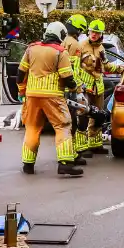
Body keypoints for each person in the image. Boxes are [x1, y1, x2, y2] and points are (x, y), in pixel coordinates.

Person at [18, 21, 83, 177]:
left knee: (32, 128)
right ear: (60, 35)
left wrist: (22, 92)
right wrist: (76, 89)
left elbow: (21, 74)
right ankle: (65, 164)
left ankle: (28, 164)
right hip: (53, 96)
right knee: (63, 125)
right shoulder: (60, 52)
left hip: (32, 96)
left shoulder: (31, 49)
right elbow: (67, 77)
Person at [75, 19, 123, 156]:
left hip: (98, 86)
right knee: (83, 115)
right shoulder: (81, 46)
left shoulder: (101, 48)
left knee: (99, 116)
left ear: (101, 34)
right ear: (88, 31)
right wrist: (79, 86)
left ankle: (95, 144)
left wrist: (120, 69)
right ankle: (81, 147)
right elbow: (74, 68)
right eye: (92, 31)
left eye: (97, 32)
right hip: (85, 87)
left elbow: (106, 65)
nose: (94, 34)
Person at [63, 14, 89, 164]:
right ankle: (71, 155)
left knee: (66, 122)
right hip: (71, 90)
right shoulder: (75, 45)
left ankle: (70, 153)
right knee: (72, 123)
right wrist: (79, 88)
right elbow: (73, 69)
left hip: (62, 89)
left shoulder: (64, 41)